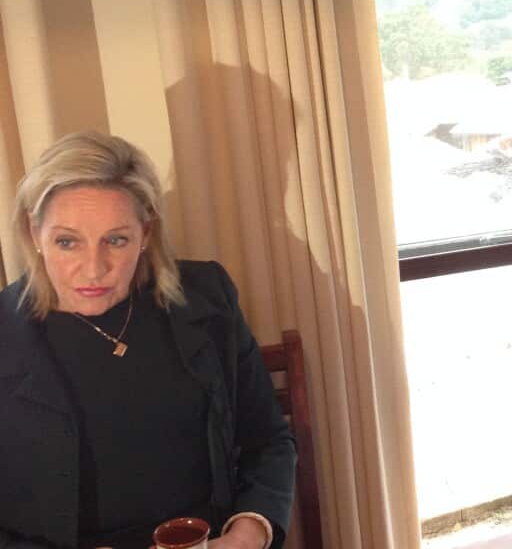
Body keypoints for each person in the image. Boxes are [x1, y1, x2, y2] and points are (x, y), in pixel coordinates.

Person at [0, 132, 296, 549]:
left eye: (116, 240)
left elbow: (267, 440)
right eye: (67, 242)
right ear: (35, 233)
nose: (93, 269)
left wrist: (248, 535)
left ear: (146, 232)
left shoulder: (205, 298)